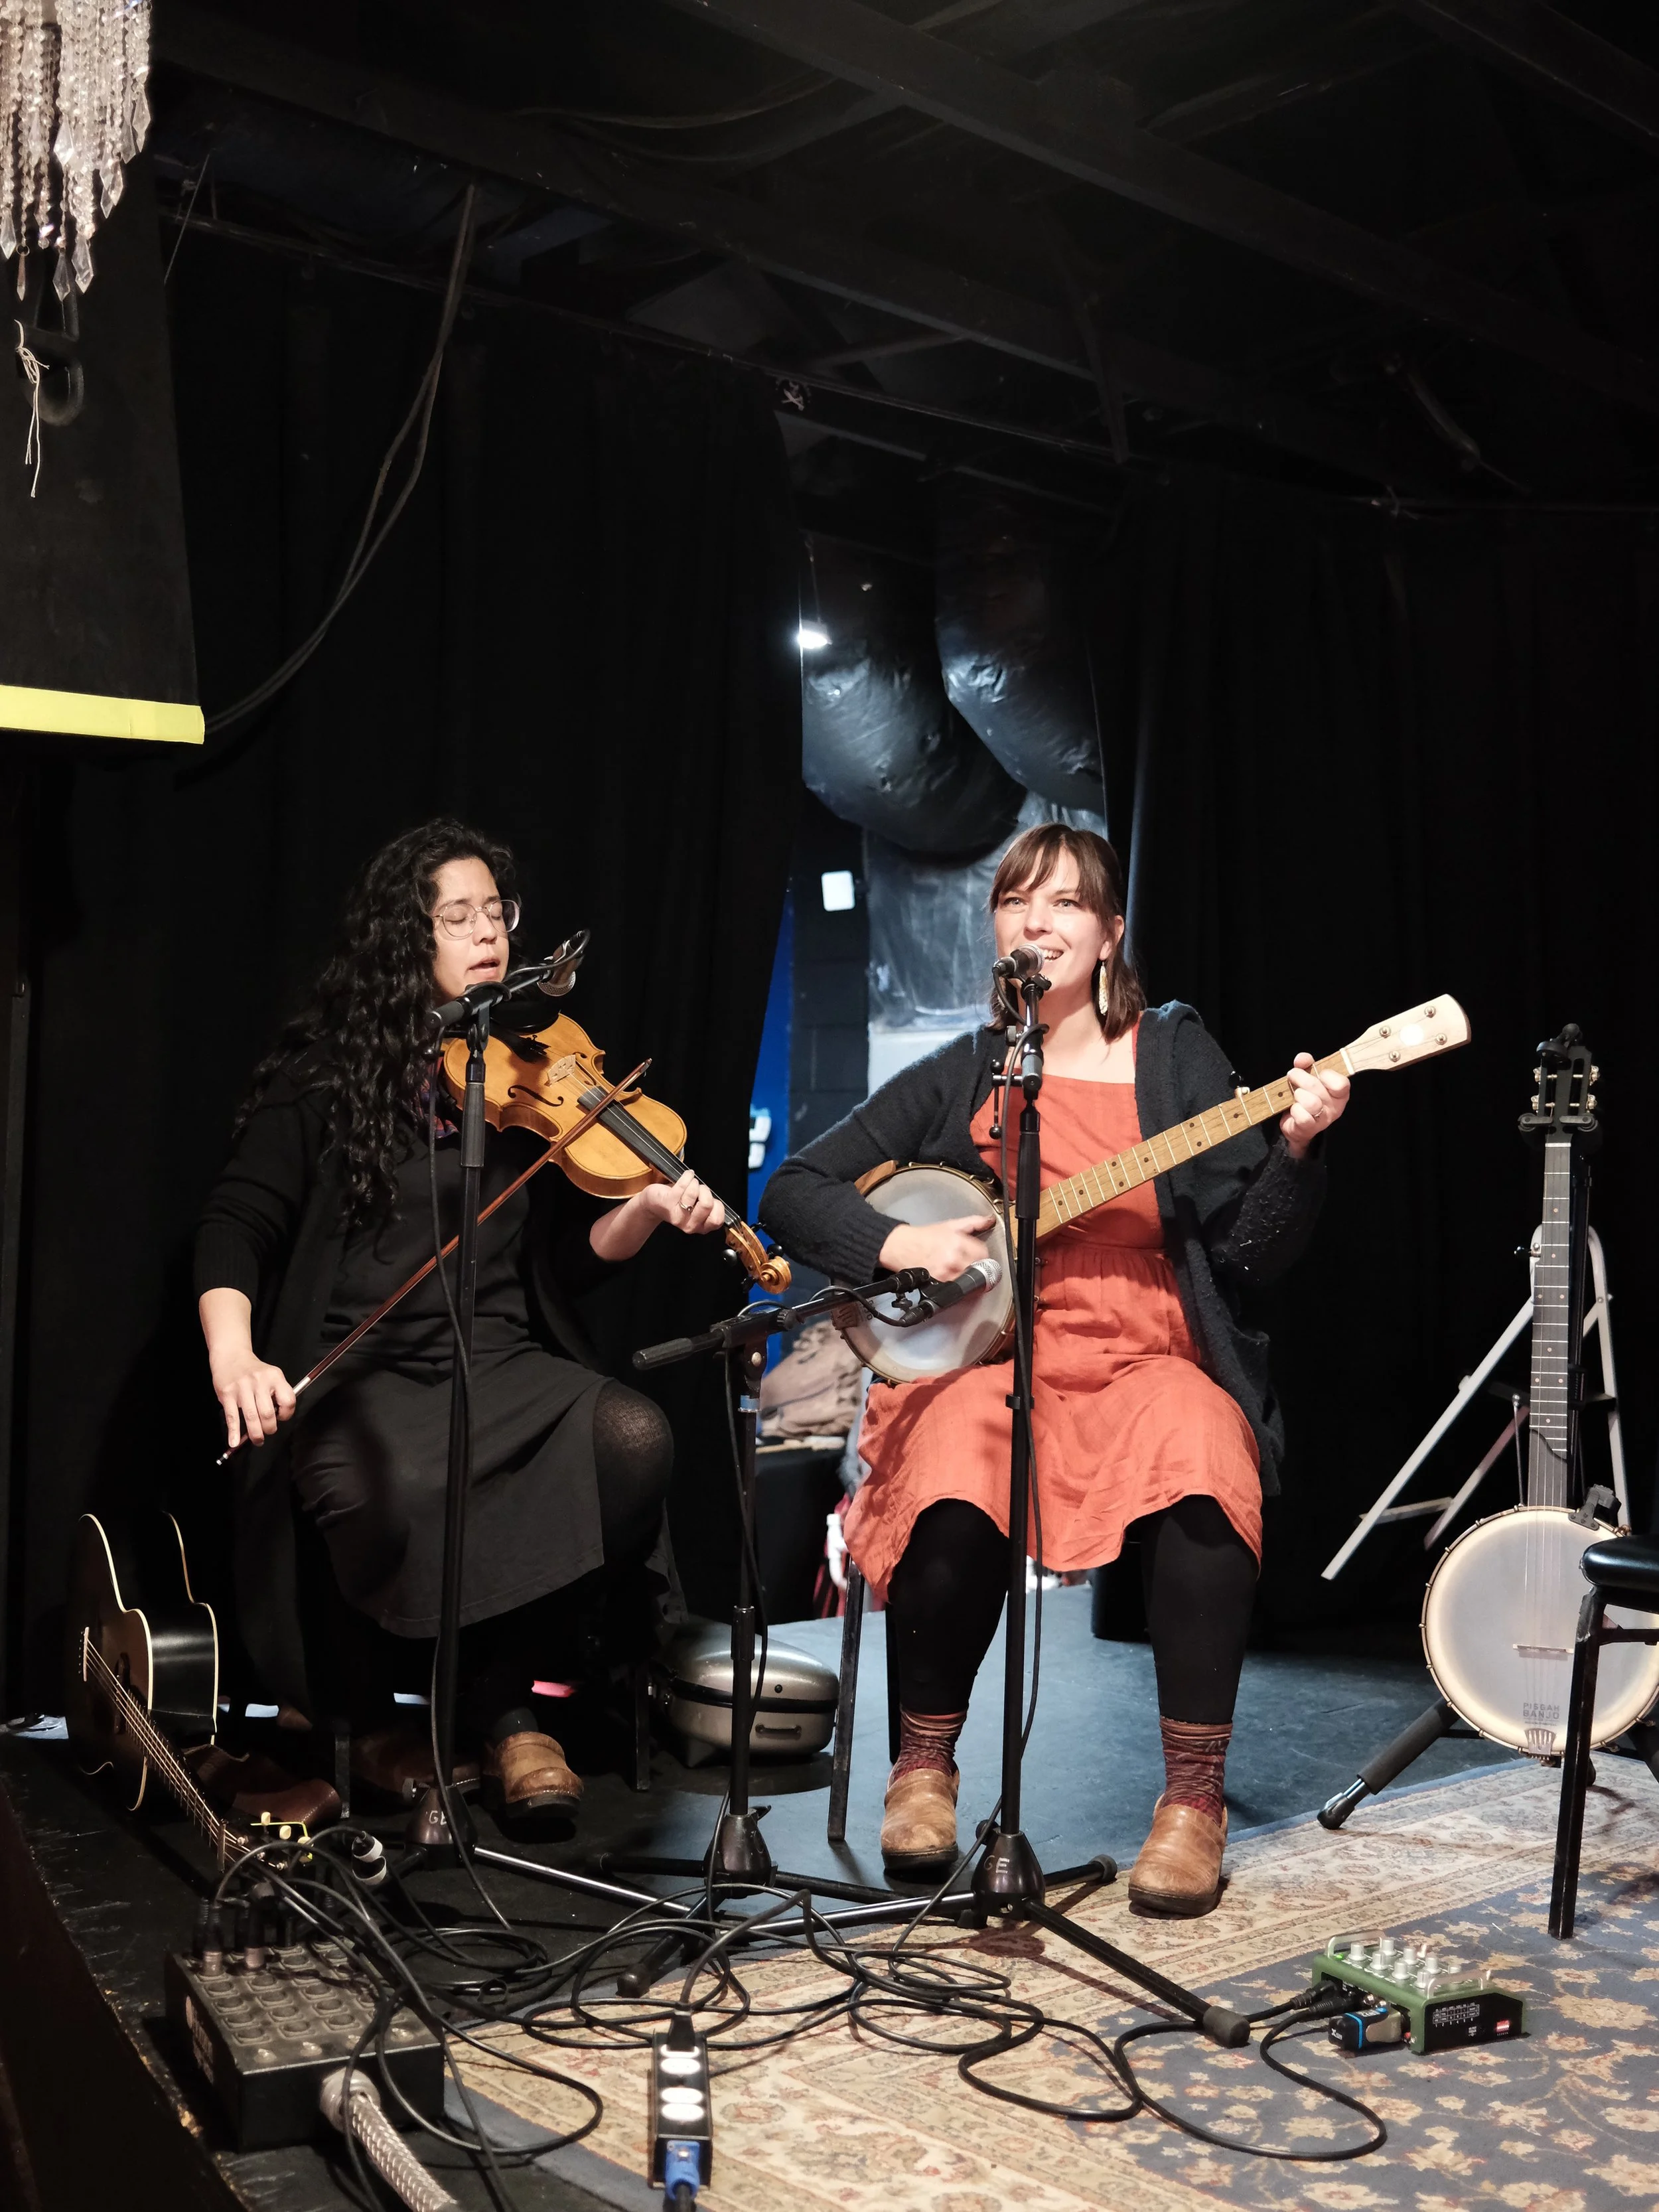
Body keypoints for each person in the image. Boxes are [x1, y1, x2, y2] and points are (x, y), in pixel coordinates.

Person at [759, 824, 1348, 1913]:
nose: (1038, 920)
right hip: (996, 1349)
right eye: (1017, 901)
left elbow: (1251, 1254)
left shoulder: (1175, 1056)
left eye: (1068, 904)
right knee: (956, 1451)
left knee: (1205, 1448)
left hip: (1142, 1347)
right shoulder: (968, 1069)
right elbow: (793, 1190)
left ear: (1110, 934)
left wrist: (1301, 1151)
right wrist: (901, 1245)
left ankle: (1191, 1803)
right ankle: (923, 1771)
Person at [196, 819, 723, 1825]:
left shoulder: (526, 1074)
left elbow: (563, 1265)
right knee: (395, 1498)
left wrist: (646, 1210)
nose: (488, 934)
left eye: (498, 912)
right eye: (458, 916)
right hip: (367, 1378)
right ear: (409, 937)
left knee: (631, 1438)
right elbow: (235, 1222)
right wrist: (236, 1354)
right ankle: (501, 1714)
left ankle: (508, 1701)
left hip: (501, 1358)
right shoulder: (329, 1074)